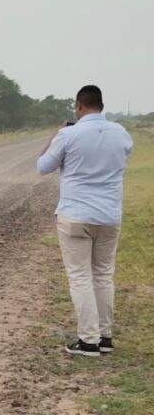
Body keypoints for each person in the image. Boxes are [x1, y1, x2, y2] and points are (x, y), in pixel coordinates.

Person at [37, 85, 133, 357]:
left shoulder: (69, 134)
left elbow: (42, 166)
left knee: (80, 276)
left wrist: (56, 134)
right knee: (103, 275)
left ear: (79, 106)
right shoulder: (122, 134)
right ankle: (104, 336)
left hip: (76, 215)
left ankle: (88, 340)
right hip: (110, 216)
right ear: (100, 106)